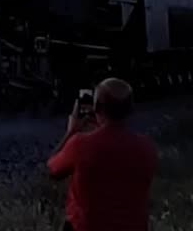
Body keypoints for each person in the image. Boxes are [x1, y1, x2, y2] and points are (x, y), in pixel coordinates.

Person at [47, 77, 157, 231]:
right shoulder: (147, 148)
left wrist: (71, 132)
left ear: (96, 107)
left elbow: (52, 170)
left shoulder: (80, 145)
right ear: (131, 110)